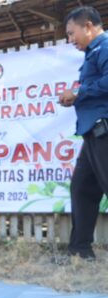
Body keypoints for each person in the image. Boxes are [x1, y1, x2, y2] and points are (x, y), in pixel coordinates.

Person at [58, 6, 108, 260]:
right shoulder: (93, 53)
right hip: (93, 133)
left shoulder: (106, 46)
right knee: (81, 188)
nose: (70, 40)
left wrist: (77, 94)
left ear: (88, 25)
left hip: (105, 131)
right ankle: (80, 251)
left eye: (71, 33)